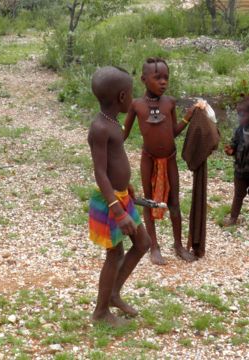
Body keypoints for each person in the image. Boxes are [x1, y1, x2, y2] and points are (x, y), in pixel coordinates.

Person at [88, 66, 150, 326]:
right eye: (132, 93)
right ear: (122, 97)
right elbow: (100, 173)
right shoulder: (100, 128)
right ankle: (101, 313)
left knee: (143, 243)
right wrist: (117, 209)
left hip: (121, 196)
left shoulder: (113, 123)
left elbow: (116, 163)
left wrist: (128, 187)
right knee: (114, 255)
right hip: (110, 202)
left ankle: (114, 294)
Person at [123, 57, 201, 265]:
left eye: (166, 77)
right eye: (157, 78)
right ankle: (154, 246)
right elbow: (123, 134)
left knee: (174, 201)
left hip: (170, 159)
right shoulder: (136, 105)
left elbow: (172, 132)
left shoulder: (170, 103)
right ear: (143, 79)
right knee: (149, 202)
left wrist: (188, 116)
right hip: (148, 160)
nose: (163, 82)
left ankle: (178, 245)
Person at [223, 96, 249, 228]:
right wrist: (231, 150)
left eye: (242, 114)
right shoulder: (240, 130)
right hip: (239, 170)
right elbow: (234, 144)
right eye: (238, 115)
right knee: (238, 194)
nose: (239, 118)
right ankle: (233, 218)